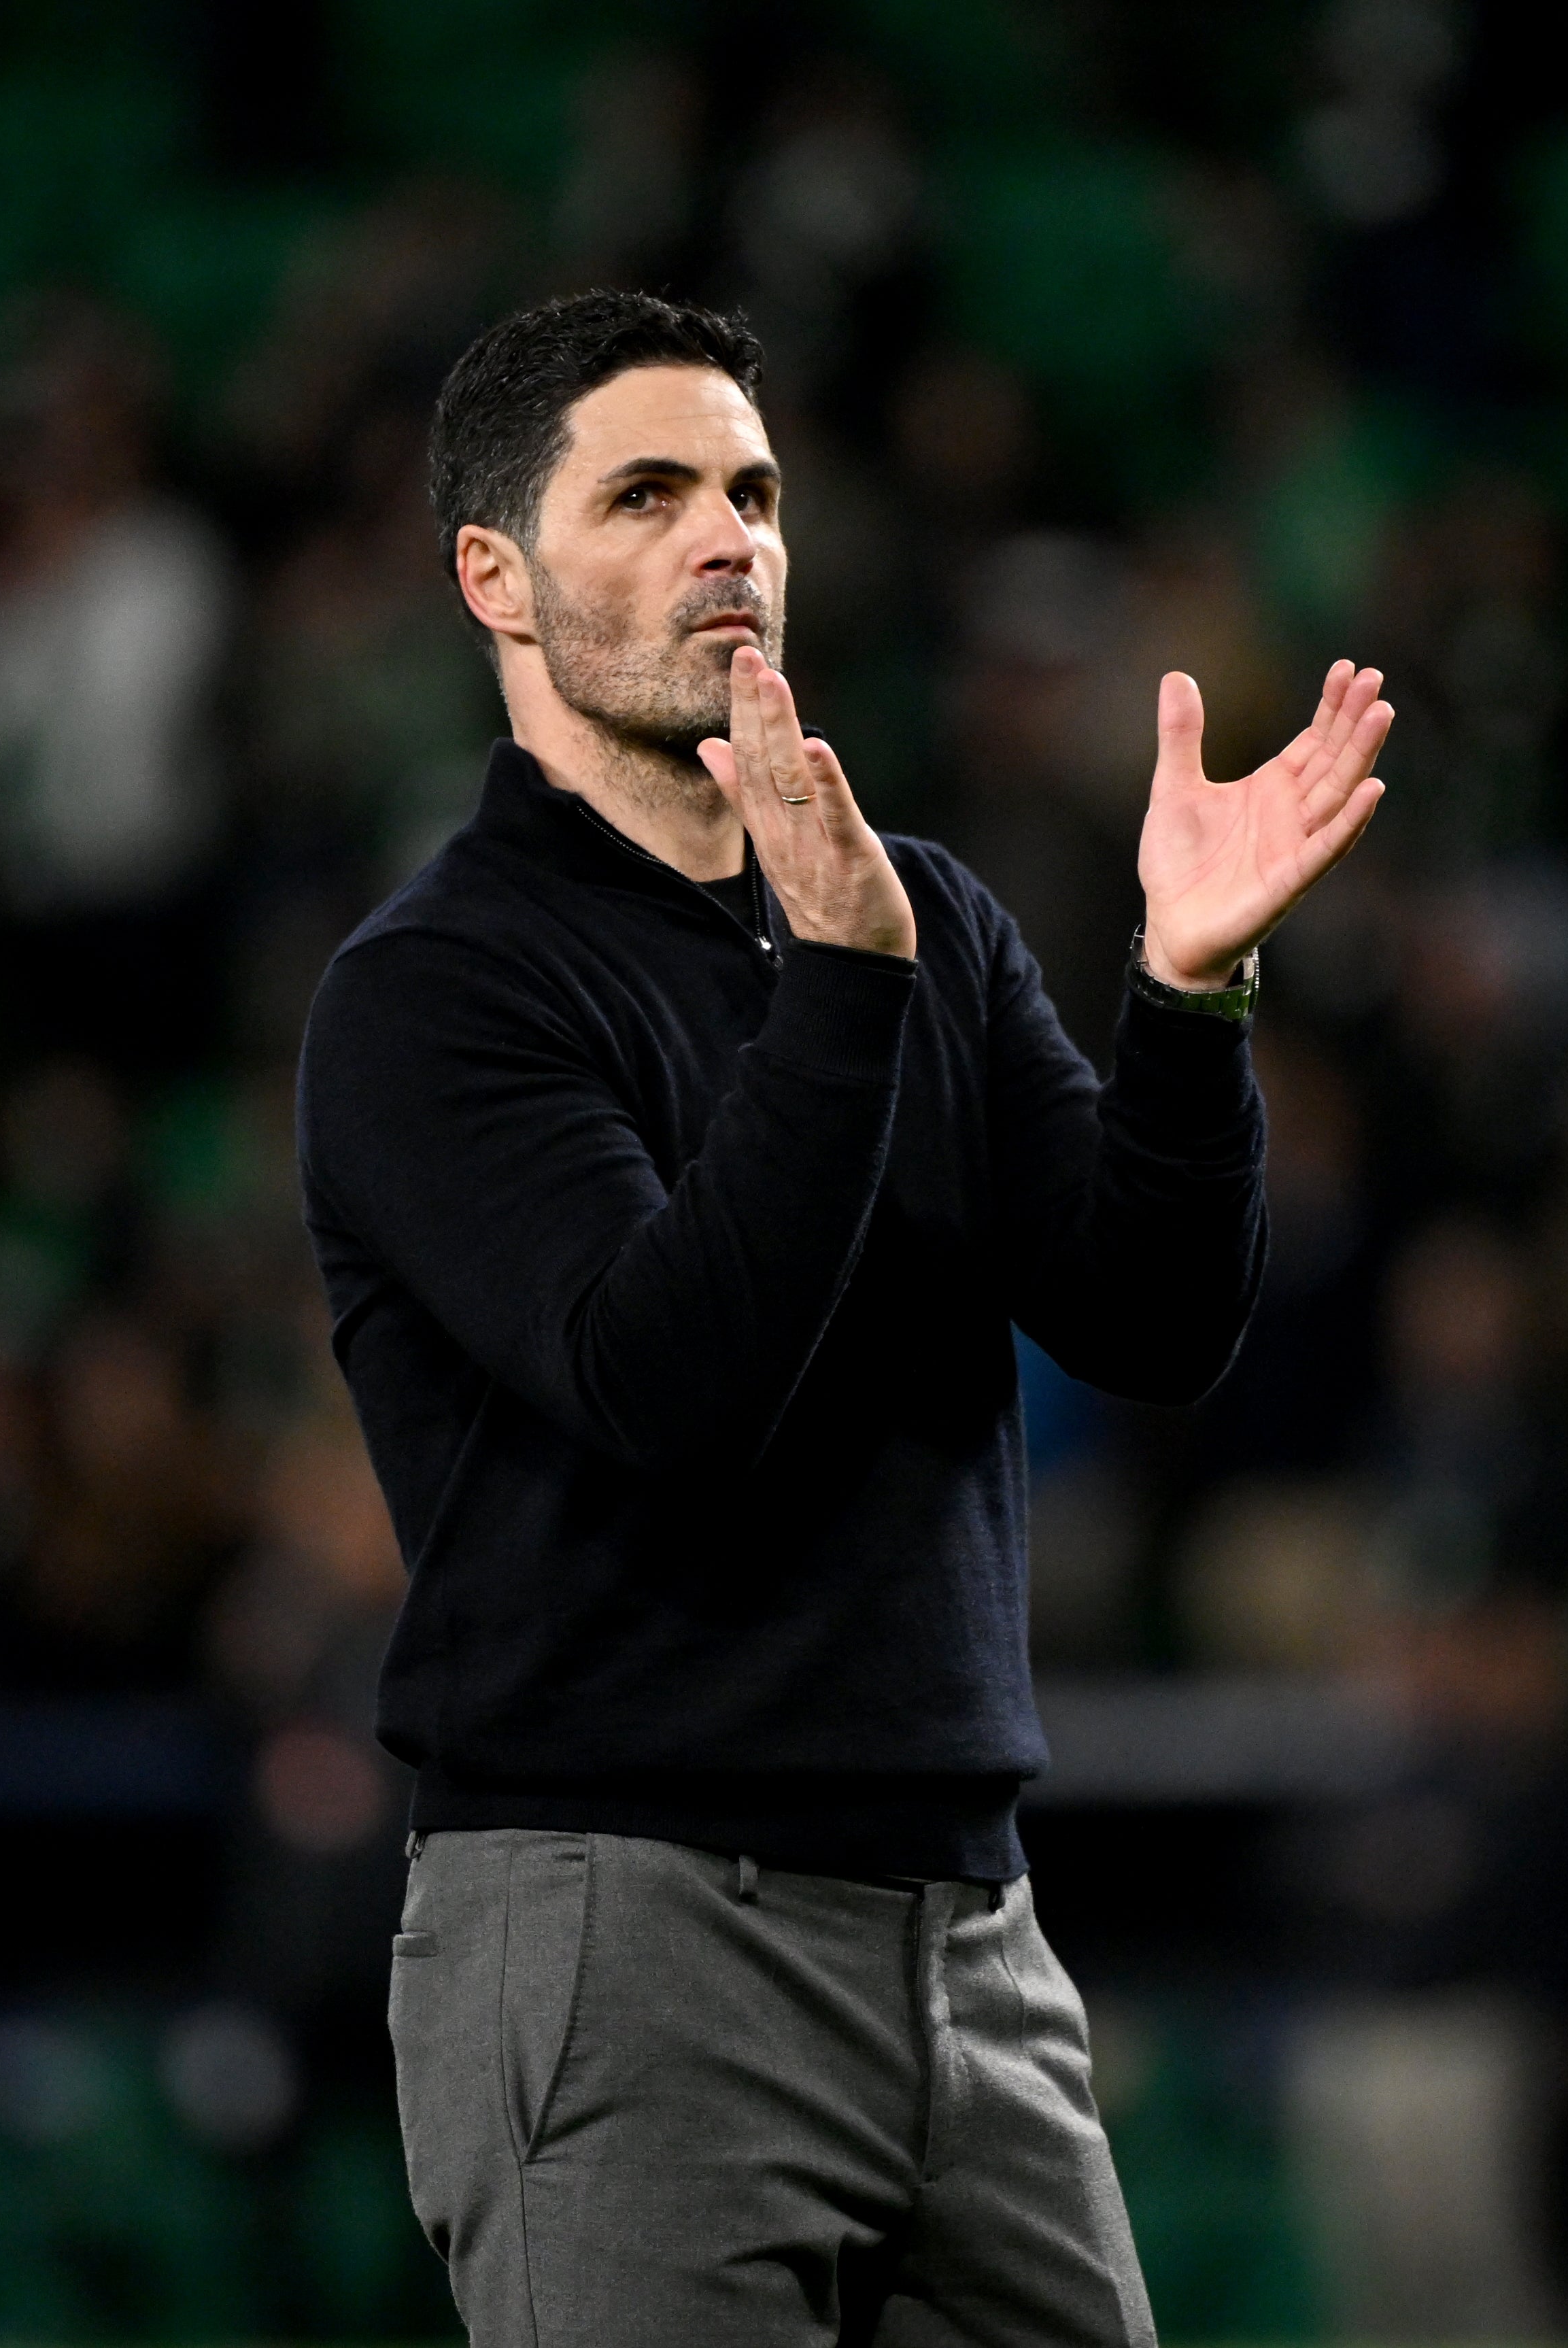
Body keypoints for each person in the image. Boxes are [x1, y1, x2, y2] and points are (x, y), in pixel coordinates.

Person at [297, 290, 1390, 2345]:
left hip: (973, 1948)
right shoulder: (436, 993)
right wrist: (847, 987)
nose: (731, 539)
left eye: (754, 490)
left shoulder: (916, 912)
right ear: (496, 580)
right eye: (647, 494)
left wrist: (1185, 997)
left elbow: (1150, 1320)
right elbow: (667, 1380)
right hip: (626, 1935)